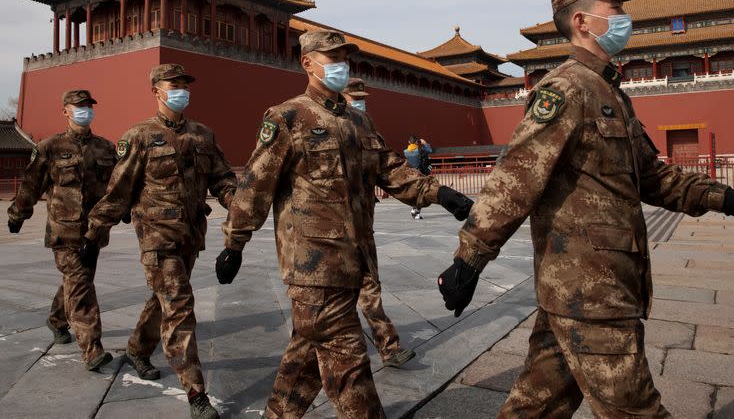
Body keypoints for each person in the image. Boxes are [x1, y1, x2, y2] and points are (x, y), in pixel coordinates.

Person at [437, 0, 734, 418]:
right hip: (591, 289)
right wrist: (469, 259)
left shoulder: (608, 91)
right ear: (581, 21)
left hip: (592, 285)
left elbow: (652, 177)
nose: (624, 17)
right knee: (635, 410)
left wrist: (726, 198)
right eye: (614, 8)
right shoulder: (565, 89)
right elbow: (516, 178)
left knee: (536, 405)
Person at [215, 29, 473, 418]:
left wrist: (439, 194)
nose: (340, 65)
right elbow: (255, 185)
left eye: (343, 58)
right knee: (349, 369)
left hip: (354, 261)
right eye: (331, 57)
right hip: (313, 265)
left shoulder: (358, 122)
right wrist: (234, 242)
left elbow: (391, 169)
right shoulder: (288, 117)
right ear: (308, 63)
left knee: (303, 362)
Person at [84, 64, 237, 419]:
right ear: (157, 90)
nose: (182, 90)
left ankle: (138, 348)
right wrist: (94, 233)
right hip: (156, 237)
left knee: (165, 298)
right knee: (180, 306)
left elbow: (224, 179)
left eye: (186, 84)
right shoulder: (138, 136)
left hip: (190, 235)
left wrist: (242, 206)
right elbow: (118, 192)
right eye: (175, 84)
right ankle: (196, 392)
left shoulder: (203, 136)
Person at [7, 89, 115, 371]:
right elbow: (32, 184)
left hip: (93, 233)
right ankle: (92, 349)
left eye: (88, 106)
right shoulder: (49, 147)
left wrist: (124, 211)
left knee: (76, 281)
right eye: (78, 106)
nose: (85, 110)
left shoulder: (105, 148)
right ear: (65, 111)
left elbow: (118, 186)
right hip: (64, 232)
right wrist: (18, 214)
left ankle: (56, 319)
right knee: (81, 284)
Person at [342, 77, 415, 367]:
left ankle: (389, 347)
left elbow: (390, 167)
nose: (361, 102)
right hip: (326, 234)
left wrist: (435, 193)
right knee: (324, 310)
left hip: (362, 226)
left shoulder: (367, 127)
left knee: (370, 287)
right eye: (354, 97)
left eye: (363, 98)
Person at [404, 136, 433, 219]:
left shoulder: (406, 152)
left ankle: (415, 211)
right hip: (421, 175)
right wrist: (425, 143)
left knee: (416, 193)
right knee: (422, 194)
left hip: (412, 175)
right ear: (417, 142)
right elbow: (429, 150)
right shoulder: (420, 151)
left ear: (409, 142)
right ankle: (415, 210)